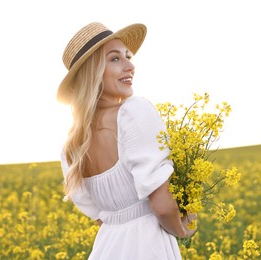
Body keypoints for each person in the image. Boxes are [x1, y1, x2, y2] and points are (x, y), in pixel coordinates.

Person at [57, 22, 197, 260]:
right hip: (148, 247)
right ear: (93, 71)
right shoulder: (134, 112)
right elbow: (162, 207)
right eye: (115, 59)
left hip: (106, 248)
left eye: (128, 56)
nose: (130, 66)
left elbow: (100, 216)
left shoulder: (72, 146)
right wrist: (184, 228)